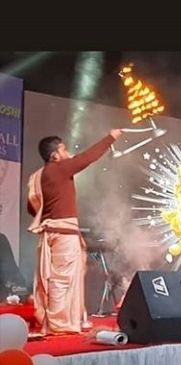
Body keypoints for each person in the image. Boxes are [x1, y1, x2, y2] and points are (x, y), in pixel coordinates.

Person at [27, 130, 122, 335]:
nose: (67, 152)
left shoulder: (38, 176)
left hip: (53, 233)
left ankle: (66, 320)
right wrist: (110, 138)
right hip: (63, 235)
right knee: (63, 280)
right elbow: (87, 158)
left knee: (59, 278)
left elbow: (31, 208)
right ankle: (60, 324)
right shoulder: (59, 169)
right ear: (55, 155)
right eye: (63, 149)